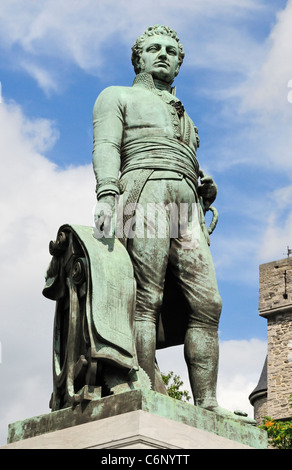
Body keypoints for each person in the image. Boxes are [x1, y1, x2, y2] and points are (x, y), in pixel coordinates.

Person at [92, 25, 251, 422]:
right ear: (139, 57)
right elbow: (107, 145)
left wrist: (202, 184)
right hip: (143, 190)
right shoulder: (117, 96)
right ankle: (142, 384)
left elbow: (181, 155)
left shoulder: (187, 115)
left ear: (179, 62)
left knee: (208, 303)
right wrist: (107, 193)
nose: (163, 54)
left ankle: (208, 403)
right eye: (153, 48)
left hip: (186, 201)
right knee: (147, 296)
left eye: (171, 51)